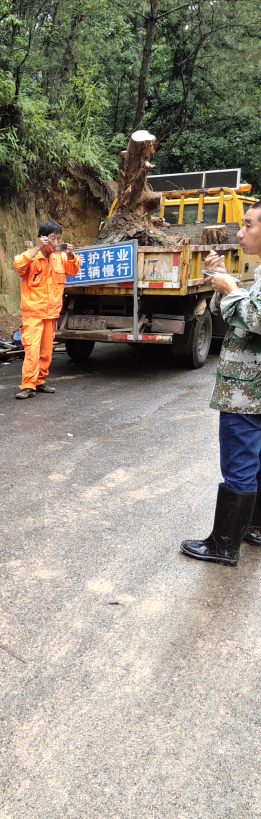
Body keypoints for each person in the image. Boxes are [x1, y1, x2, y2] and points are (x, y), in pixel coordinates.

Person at [181, 201, 261, 566]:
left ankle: (223, 544)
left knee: (240, 460)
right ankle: (253, 527)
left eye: (247, 225)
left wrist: (229, 287)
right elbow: (232, 313)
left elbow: (255, 319)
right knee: (255, 459)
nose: (240, 233)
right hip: (251, 388)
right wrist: (224, 283)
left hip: (247, 389)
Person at [13, 221, 80, 399]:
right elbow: (19, 266)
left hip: (51, 313)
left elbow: (73, 270)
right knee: (32, 349)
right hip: (33, 313)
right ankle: (28, 385)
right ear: (43, 238)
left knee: (46, 350)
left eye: (58, 238)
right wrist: (37, 247)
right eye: (52, 238)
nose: (56, 241)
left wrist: (71, 254)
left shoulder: (61, 257)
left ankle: (40, 381)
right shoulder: (31, 256)